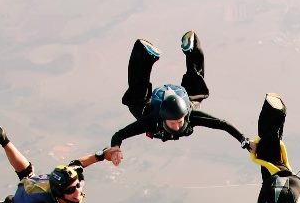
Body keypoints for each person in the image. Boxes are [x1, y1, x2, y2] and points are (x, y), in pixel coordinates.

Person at [106, 34, 249, 162]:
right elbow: (120, 134)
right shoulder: (151, 120)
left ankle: (190, 48)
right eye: (173, 123)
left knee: (138, 99)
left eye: (179, 122)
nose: (177, 126)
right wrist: (115, 149)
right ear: (164, 118)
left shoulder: (190, 115)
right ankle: (146, 54)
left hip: (181, 104)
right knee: (138, 101)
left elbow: (222, 124)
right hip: (153, 110)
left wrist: (245, 141)